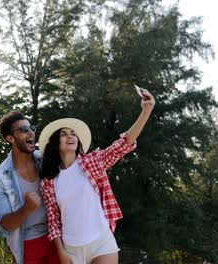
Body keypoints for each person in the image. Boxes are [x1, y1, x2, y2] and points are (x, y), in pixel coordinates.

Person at [39, 88, 155, 264]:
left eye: (73, 134)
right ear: (55, 143)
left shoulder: (92, 162)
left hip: (101, 241)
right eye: (64, 134)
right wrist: (61, 252)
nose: (70, 137)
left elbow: (123, 144)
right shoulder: (48, 182)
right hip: (71, 249)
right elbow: (53, 220)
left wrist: (146, 111)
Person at [0, 111, 60, 264]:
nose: (31, 133)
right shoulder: (0, 177)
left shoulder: (46, 160)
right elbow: (6, 225)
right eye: (23, 130)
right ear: (10, 138)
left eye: (31, 128)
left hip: (57, 237)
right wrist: (27, 208)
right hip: (28, 242)